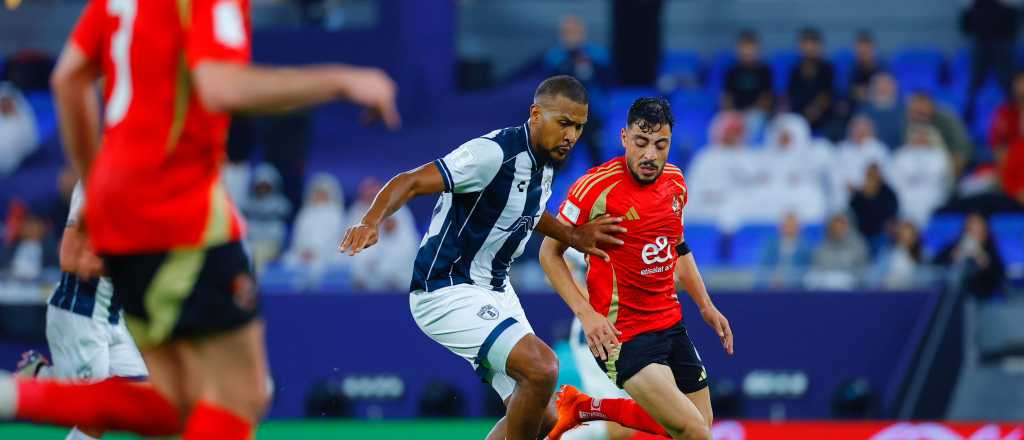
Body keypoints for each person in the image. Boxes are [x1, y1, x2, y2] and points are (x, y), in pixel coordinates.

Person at [0, 0, 401, 437]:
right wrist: (343, 80)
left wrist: (96, 186)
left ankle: (20, 394)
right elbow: (221, 87)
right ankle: (24, 393)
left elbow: (68, 79)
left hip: (125, 202)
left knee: (177, 402)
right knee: (245, 394)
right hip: (176, 204)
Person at [338, 76, 625, 440]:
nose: (571, 135)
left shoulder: (546, 161)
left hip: (495, 288)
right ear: (536, 114)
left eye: (579, 127)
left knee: (545, 416)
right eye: (564, 123)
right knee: (542, 368)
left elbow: (528, 210)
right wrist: (371, 220)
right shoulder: (492, 153)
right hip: (445, 288)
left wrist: (570, 235)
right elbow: (409, 181)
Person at [540, 97, 733, 440]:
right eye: (641, 143)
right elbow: (548, 254)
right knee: (693, 431)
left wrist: (705, 305)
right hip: (624, 336)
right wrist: (586, 313)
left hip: (671, 326)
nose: (650, 155)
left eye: (661, 145)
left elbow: (679, 247)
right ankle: (583, 412)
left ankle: (586, 409)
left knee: (698, 425)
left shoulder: (675, 183)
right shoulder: (595, 189)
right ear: (624, 138)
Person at [18, 182, 149, 440]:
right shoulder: (96, 182)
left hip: (111, 318)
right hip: (79, 315)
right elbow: (69, 258)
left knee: (140, 396)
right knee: (94, 414)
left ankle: (41, 375)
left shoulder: (143, 183)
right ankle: (42, 377)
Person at [544, 15, 613, 166]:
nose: (571, 37)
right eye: (567, 33)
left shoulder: (597, 56)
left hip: (591, 113)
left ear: (582, 34)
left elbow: (608, 82)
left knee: (595, 155)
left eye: (575, 32)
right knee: (559, 160)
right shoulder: (554, 58)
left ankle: (597, 187)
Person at [685, 112, 758, 232]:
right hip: (702, 201)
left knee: (732, 213)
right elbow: (692, 183)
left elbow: (751, 185)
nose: (731, 136)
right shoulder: (705, 155)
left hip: (730, 203)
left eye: (735, 133)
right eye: (728, 132)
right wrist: (706, 194)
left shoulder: (747, 155)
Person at [961, 0, 1019, 117]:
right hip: (980, 41)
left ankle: (1015, 115)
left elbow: (1015, 13)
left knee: (1007, 80)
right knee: (975, 81)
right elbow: (965, 21)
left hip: (1003, 42)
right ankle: (967, 115)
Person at [282, 173, 346, 275]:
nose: (319, 196)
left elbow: (336, 240)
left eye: (322, 193)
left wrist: (316, 252)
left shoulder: (336, 214)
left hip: (328, 255)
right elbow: (298, 237)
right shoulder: (305, 212)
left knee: (325, 265)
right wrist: (304, 251)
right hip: (303, 253)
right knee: (288, 261)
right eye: (317, 192)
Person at [888, 126, 953, 227]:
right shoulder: (899, 155)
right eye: (916, 135)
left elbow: (939, 179)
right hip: (905, 198)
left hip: (931, 198)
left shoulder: (939, 155)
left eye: (923, 135)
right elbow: (893, 180)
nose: (919, 138)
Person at [935, 213, 1006, 299]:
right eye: (971, 225)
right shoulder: (955, 245)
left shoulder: (991, 249)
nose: (974, 229)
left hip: (984, 297)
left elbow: (1000, 276)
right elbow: (936, 264)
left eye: (978, 225)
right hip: (955, 294)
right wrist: (955, 255)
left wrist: (982, 259)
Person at [906, 92, 973, 177]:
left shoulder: (947, 120)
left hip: (947, 165)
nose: (918, 117)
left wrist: (951, 178)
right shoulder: (904, 122)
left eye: (922, 113)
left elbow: (961, 152)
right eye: (914, 112)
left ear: (932, 108)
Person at [722, 30, 773, 139]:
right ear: (737, 49)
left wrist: (750, 112)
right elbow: (727, 98)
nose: (747, 51)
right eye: (743, 47)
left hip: (756, 113)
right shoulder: (732, 71)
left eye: (750, 47)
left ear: (757, 49)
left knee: (754, 120)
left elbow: (766, 98)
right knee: (724, 121)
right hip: (736, 113)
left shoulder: (764, 71)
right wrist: (733, 113)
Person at [242, 163, 292, 273]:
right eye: (260, 185)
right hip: (251, 243)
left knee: (258, 253)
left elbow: (279, 234)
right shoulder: (247, 204)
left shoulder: (282, 205)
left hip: (271, 246)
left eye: (266, 185)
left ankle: (256, 285)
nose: (262, 188)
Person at [833, 115, 890, 210]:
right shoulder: (841, 149)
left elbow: (883, 175)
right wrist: (852, 187)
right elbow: (836, 174)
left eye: (862, 130)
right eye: (856, 129)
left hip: (870, 193)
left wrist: (865, 188)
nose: (858, 133)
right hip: (846, 192)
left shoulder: (879, 150)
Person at [788, 28, 837, 137]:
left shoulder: (827, 68)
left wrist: (816, 108)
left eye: (812, 44)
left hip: (823, 113)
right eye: (806, 44)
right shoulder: (795, 69)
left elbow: (828, 94)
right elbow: (793, 95)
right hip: (800, 114)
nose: (809, 48)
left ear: (819, 46)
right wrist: (804, 111)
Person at [805, 212, 869, 290]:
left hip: (852, 286)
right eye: (835, 227)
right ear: (830, 228)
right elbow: (816, 268)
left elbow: (864, 268)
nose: (838, 230)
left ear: (847, 227)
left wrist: (850, 276)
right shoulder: (821, 245)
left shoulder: (858, 244)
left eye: (841, 227)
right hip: (826, 287)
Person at [849, 163, 900, 254]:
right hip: (861, 234)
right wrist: (864, 195)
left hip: (881, 234)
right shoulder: (860, 193)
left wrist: (871, 198)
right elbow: (853, 211)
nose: (872, 177)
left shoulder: (888, 193)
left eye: (875, 174)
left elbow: (891, 214)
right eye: (870, 174)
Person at [758, 212, 813, 288]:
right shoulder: (771, 245)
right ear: (781, 226)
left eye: (793, 225)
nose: (790, 227)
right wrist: (772, 279)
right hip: (772, 288)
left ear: (799, 227)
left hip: (797, 289)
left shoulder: (806, 247)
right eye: (787, 224)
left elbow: (808, 271)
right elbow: (764, 268)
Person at [871, 220, 928, 289]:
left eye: (911, 235)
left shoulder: (925, 256)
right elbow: (875, 279)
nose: (907, 239)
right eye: (904, 235)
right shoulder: (887, 255)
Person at [0, 81, 38, 176]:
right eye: (3, 102)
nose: (6, 104)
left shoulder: (24, 117)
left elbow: (32, 142)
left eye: (7, 101)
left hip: (29, 165)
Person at [860, 73, 905, 149]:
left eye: (887, 86)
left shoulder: (904, 111)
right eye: (879, 87)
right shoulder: (863, 112)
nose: (883, 89)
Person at [850, 31, 883, 105]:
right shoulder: (853, 68)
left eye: (866, 49)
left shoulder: (883, 68)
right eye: (860, 50)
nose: (863, 52)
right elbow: (852, 92)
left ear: (873, 49)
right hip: (857, 107)